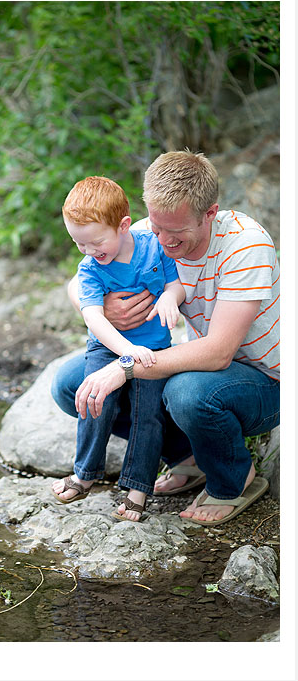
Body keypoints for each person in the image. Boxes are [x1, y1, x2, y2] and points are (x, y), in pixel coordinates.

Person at [51, 151, 280, 527]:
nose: (163, 240)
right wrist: (104, 309)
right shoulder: (149, 231)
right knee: (72, 385)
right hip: (201, 368)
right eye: (156, 227)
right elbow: (76, 283)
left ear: (210, 213)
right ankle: (189, 458)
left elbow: (219, 354)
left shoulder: (245, 246)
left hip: (265, 381)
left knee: (188, 393)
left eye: (175, 231)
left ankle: (235, 480)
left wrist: (124, 368)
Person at [50, 176, 184, 521]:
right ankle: (85, 473)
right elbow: (93, 318)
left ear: (124, 226)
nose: (89, 252)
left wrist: (170, 297)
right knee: (96, 400)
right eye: (79, 245)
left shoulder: (153, 247)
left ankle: (139, 488)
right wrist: (125, 351)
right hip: (108, 347)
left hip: (153, 349)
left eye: (95, 242)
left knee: (148, 415)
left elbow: (175, 283)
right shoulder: (91, 268)